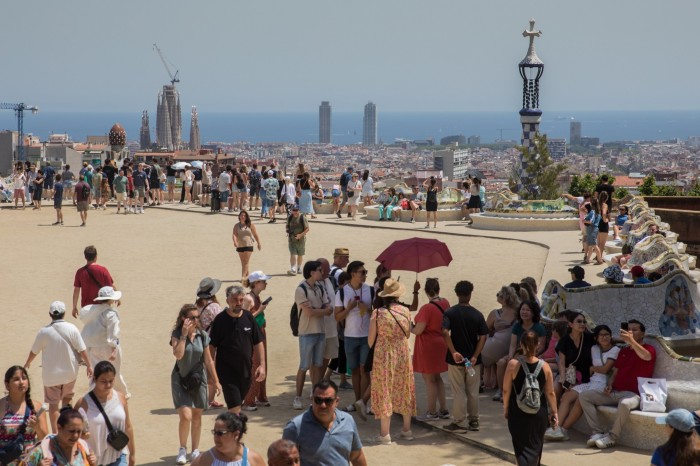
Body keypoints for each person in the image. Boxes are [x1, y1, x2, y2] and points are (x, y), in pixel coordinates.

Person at [578, 319, 656, 449]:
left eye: (635, 330)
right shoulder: (624, 351)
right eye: (629, 330)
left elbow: (646, 356)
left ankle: (612, 437)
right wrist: (609, 385)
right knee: (584, 396)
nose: (630, 332)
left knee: (625, 404)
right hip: (615, 392)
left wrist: (631, 341)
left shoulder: (649, 349)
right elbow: (615, 372)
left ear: (643, 334)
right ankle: (597, 433)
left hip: (634, 395)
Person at [24, 301, 92, 432]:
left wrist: (27, 363)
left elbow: (34, 351)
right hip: (69, 373)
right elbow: (82, 349)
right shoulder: (72, 328)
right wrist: (89, 366)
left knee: (53, 404)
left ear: (50, 314)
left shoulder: (44, 332)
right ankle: (67, 429)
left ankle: (56, 433)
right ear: (64, 313)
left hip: (51, 376)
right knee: (67, 400)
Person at [546, 324, 618, 441]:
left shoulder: (615, 350)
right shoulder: (594, 348)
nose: (604, 337)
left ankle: (564, 430)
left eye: (607, 335)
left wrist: (593, 369)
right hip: (592, 380)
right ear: (596, 337)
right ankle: (556, 428)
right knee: (567, 397)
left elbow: (605, 369)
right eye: (601, 335)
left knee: (580, 400)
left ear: (611, 336)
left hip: (602, 383)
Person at [366, 279, 415, 444]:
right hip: (402, 353)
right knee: (404, 387)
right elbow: (408, 334)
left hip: (384, 354)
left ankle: (385, 434)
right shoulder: (406, 311)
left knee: (384, 388)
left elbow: (370, 341)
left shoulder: (378, 313)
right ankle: (406, 430)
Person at [171, 304, 221, 465]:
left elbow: (208, 360)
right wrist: (184, 335)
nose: (195, 320)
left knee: (197, 416)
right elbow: (178, 355)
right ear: (182, 319)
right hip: (180, 379)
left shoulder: (202, 335)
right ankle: (182, 449)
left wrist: (216, 380)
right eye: (191, 317)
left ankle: (195, 450)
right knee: (186, 416)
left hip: (199, 379)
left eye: (196, 317)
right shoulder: (177, 334)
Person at [502, 331, 558, 466]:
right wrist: (554, 412)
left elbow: (505, 389)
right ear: (538, 345)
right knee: (536, 447)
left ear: (521, 344)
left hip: (518, 410)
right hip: (539, 411)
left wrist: (506, 408)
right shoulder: (545, 366)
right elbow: (550, 392)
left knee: (520, 448)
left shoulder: (513, 364)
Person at [209, 286, 266, 414]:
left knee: (236, 406)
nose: (238, 303)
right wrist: (211, 372)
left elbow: (258, 342)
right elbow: (212, 347)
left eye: (241, 300)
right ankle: (234, 432)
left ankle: (227, 430)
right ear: (227, 301)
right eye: (235, 300)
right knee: (235, 409)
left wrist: (262, 365)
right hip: (226, 372)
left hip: (246, 371)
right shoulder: (220, 320)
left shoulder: (248, 317)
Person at [441, 280, 489, 432]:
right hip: (472, 360)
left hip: (455, 359)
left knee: (458, 391)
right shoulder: (477, 314)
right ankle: (474, 420)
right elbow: (483, 336)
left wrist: (453, 351)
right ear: (470, 294)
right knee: (473, 391)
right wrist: (475, 355)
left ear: (456, 294)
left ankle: (459, 421)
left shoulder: (449, 312)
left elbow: (444, 332)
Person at [283, 380, 367, 466]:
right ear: (312, 399)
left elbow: (356, 456)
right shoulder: (295, 428)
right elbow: (285, 462)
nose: (323, 405)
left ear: (337, 401)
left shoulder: (347, 420)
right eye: (318, 400)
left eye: (328, 401)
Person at [74, 361, 136, 466]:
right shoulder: (83, 403)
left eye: (111, 381)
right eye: (103, 381)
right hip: (91, 460)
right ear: (95, 379)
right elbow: (70, 431)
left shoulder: (120, 398)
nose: (108, 385)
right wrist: (81, 436)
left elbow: (128, 427)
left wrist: (133, 454)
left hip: (119, 456)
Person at [334, 261, 374, 418]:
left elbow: (377, 313)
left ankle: (363, 403)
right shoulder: (342, 292)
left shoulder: (371, 290)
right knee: (355, 371)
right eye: (362, 272)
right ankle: (358, 401)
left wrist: (367, 309)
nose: (365, 274)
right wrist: (349, 309)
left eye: (365, 271)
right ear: (353, 274)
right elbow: (337, 317)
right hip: (349, 336)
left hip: (367, 336)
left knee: (365, 370)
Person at [292, 261, 331, 410]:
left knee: (318, 365)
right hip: (307, 332)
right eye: (320, 270)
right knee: (304, 365)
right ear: (312, 272)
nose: (322, 272)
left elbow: (328, 307)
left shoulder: (320, 287)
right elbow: (310, 312)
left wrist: (318, 310)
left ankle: (315, 396)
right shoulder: (301, 290)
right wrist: (321, 311)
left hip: (320, 331)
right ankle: (298, 397)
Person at [411, 278, 450, 421]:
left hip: (429, 346)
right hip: (441, 343)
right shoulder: (445, 303)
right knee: (437, 377)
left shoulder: (426, 308)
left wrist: (410, 328)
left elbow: (418, 330)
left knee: (429, 379)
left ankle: (431, 411)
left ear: (426, 291)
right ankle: (443, 409)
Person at [80, 287, 130, 397]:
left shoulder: (91, 310)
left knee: (96, 372)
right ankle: (121, 394)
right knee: (114, 371)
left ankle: (94, 395)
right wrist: (114, 350)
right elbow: (113, 332)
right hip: (107, 347)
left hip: (92, 347)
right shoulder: (111, 313)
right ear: (111, 299)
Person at [494, 298, 547, 402]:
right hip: (518, 352)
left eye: (528, 310)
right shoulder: (517, 326)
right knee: (501, 362)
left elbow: (541, 347)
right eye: (523, 309)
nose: (524, 312)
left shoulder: (539, 327)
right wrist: (510, 356)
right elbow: (513, 344)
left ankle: (515, 392)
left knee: (518, 363)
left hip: (532, 354)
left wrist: (529, 355)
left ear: (533, 313)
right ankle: (501, 390)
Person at [0, 366, 48, 464]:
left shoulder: (37, 407)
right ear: (7, 385)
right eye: (16, 379)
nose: (21, 382)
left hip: (30, 461)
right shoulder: (2, 405)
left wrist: (37, 427)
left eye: (24, 378)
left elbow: (45, 439)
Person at [21, 407, 97, 466]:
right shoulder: (41, 451)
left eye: (79, 431)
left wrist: (93, 463)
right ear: (59, 428)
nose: (75, 435)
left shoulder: (84, 448)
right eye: (71, 431)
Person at [241, 271, 272, 411]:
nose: (266, 283)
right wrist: (259, 310)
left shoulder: (256, 296)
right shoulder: (248, 298)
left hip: (260, 333)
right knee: (255, 366)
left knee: (262, 363)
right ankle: (248, 400)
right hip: (252, 337)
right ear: (256, 283)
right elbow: (243, 320)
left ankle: (260, 396)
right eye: (263, 281)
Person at [481, 286, 519, 391]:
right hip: (509, 348)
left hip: (491, 350)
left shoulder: (495, 313)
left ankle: (478, 381)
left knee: (477, 350)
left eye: (498, 294)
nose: (497, 296)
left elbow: (484, 330)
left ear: (503, 298)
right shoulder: (518, 313)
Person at [191, 413, 264, 466]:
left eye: (220, 433)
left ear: (236, 435)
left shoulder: (253, 459)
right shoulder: (204, 460)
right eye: (215, 432)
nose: (216, 437)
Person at [554, 311, 594, 399]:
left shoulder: (589, 338)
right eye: (579, 321)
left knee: (568, 395)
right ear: (571, 324)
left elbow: (606, 337)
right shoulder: (564, 340)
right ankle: (555, 412)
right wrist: (564, 379)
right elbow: (561, 362)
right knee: (556, 389)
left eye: (584, 322)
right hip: (568, 372)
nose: (582, 324)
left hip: (584, 374)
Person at [72, 246, 116, 318]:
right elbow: (110, 286)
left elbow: (76, 290)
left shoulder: (80, 272)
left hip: (87, 309)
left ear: (85, 257)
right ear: (96, 256)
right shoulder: (103, 270)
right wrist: (117, 297)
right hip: (101, 307)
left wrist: (74, 307)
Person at [232, 210, 262, 281]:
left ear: (246, 217)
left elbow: (255, 234)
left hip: (249, 245)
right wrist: (235, 241)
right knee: (243, 262)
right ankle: (248, 276)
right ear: (239, 216)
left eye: (244, 216)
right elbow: (234, 235)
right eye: (241, 215)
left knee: (246, 261)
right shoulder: (236, 225)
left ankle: (243, 277)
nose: (243, 217)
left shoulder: (250, 225)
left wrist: (258, 243)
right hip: (240, 245)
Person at [286, 206, 309, 276]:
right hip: (291, 239)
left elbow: (307, 229)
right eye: (294, 210)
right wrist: (287, 230)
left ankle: (299, 267)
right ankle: (293, 268)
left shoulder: (303, 218)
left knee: (300, 255)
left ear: (299, 210)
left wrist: (300, 235)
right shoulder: (289, 218)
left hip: (301, 240)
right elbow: (287, 226)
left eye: (296, 210)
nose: (295, 212)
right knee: (292, 253)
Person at [583, 200, 604, 265]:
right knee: (591, 245)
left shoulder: (592, 211)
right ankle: (587, 260)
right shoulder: (598, 212)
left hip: (592, 229)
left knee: (594, 245)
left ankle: (600, 260)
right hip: (595, 228)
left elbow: (591, 221)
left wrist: (585, 221)